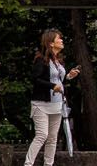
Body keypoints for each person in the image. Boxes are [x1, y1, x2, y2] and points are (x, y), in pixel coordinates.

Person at [25, 29, 78, 166]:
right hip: (41, 103)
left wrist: (68, 76)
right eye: (58, 39)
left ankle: (48, 164)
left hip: (57, 104)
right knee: (42, 135)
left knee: (53, 137)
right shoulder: (41, 60)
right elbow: (35, 79)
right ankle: (28, 164)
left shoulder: (58, 61)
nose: (61, 40)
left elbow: (58, 80)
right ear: (50, 43)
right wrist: (52, 86)